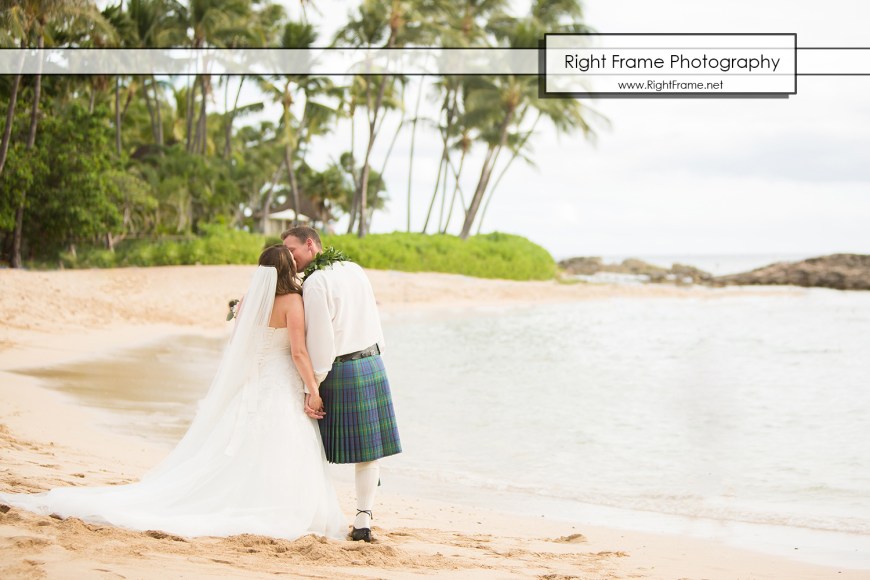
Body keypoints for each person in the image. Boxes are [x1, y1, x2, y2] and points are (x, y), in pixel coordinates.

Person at [0, 245, 346, 541]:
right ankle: (274, 504)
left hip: (253, 384)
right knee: (282, 445)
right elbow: (299, 353)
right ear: (289, 269)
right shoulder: (291, 303)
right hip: (279, 382)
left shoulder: (247, 303)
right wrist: (313, 391)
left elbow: (242, 347)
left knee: (240, 445)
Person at [282, 226, 401, 543]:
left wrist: (313, 388)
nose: (289, 259)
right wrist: (379, 352)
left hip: (342, 367)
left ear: (310, 244)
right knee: (368, 451)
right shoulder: (354, 268)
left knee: (312, 443)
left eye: (292, 251)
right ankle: (363, 520)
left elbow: (321, 341)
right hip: (373, 360)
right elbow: (372, 314)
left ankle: (316, 512)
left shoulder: (315, 283)